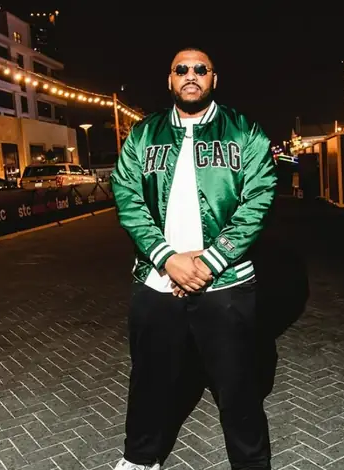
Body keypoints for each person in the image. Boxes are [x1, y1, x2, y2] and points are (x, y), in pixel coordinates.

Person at [110, 46, 278, 470]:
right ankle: (140, 458)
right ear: (169, 79)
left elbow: (259, 199)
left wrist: (209, 262)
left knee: (238, 385)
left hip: (226, 282)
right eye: (181, 69)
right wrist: (167, 258)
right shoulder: (143, 134)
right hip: (156, 280)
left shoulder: (245, 132)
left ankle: (251, 464)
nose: (191, 74)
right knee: (148, 378)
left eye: (200, 69)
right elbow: (127, 196)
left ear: (213, 79)